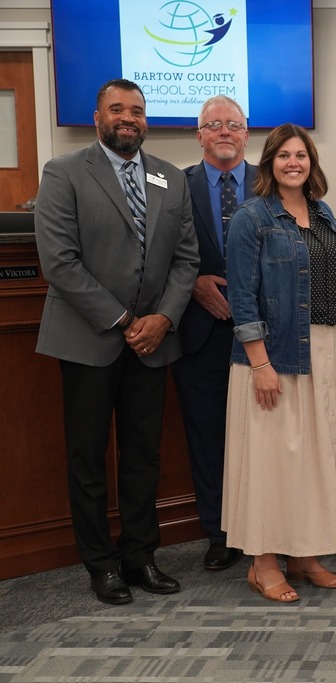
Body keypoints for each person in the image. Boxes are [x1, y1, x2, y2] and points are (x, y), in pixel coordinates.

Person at [34, 78, 199, 605]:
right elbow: (59, 261)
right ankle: (100, 564)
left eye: (137, 110)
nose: (128, 117)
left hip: (153, 342)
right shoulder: (64, 172)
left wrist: (163, 320)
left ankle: (140, 555)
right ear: (98, 115)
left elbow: (186, 260)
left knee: (143, 455)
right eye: (117, 109)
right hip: (88, 339)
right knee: (88, 456)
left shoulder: (170, 178)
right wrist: (127, 320)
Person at [223, 124, 336, 604]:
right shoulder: (251, 217)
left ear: (311, 163)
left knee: (316, 458)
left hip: (328, 350)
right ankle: (263, 563)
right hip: (275, 354)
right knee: (272, 463)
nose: (292, 163)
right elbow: (242, 297)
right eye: (283, 155)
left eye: (300, 155)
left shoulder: (323, 213)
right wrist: (259, 363)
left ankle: (303, 554)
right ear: (268, 162)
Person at [172, 95, 256, 572]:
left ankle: (263, 527)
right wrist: (193, 284)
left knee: (264, 435)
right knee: (208, 438)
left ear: (246, 133)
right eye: (214, 124)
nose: (224, 131)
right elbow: (157, 254)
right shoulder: (172, 186)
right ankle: (219, 533)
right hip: (200, 331)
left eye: (233, 124)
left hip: (264, 334)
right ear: (198, 134)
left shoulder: (272, 181)